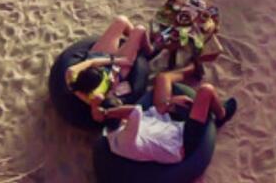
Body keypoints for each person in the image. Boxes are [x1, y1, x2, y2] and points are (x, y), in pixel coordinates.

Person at [98, 68, 237, 164]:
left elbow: (149, 114)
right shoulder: (124, 139)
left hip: (161, 122)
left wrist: (171, 102)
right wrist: (106, 112)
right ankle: (221, 115)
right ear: (119, 116)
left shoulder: (114, 129)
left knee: (162, 78)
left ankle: (194, 67)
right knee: (206, 90)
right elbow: (135, 111)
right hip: (181, 142)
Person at [65, 15, 155, 118]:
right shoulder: (96, 97)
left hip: (99, 58)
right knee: (140, 30)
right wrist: (113, 79)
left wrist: (115, 60)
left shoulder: (71, 73)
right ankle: (150, 51)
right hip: (115, 71)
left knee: (121, 20)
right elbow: (102, 108)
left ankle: (135, 41)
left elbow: (92, 62)